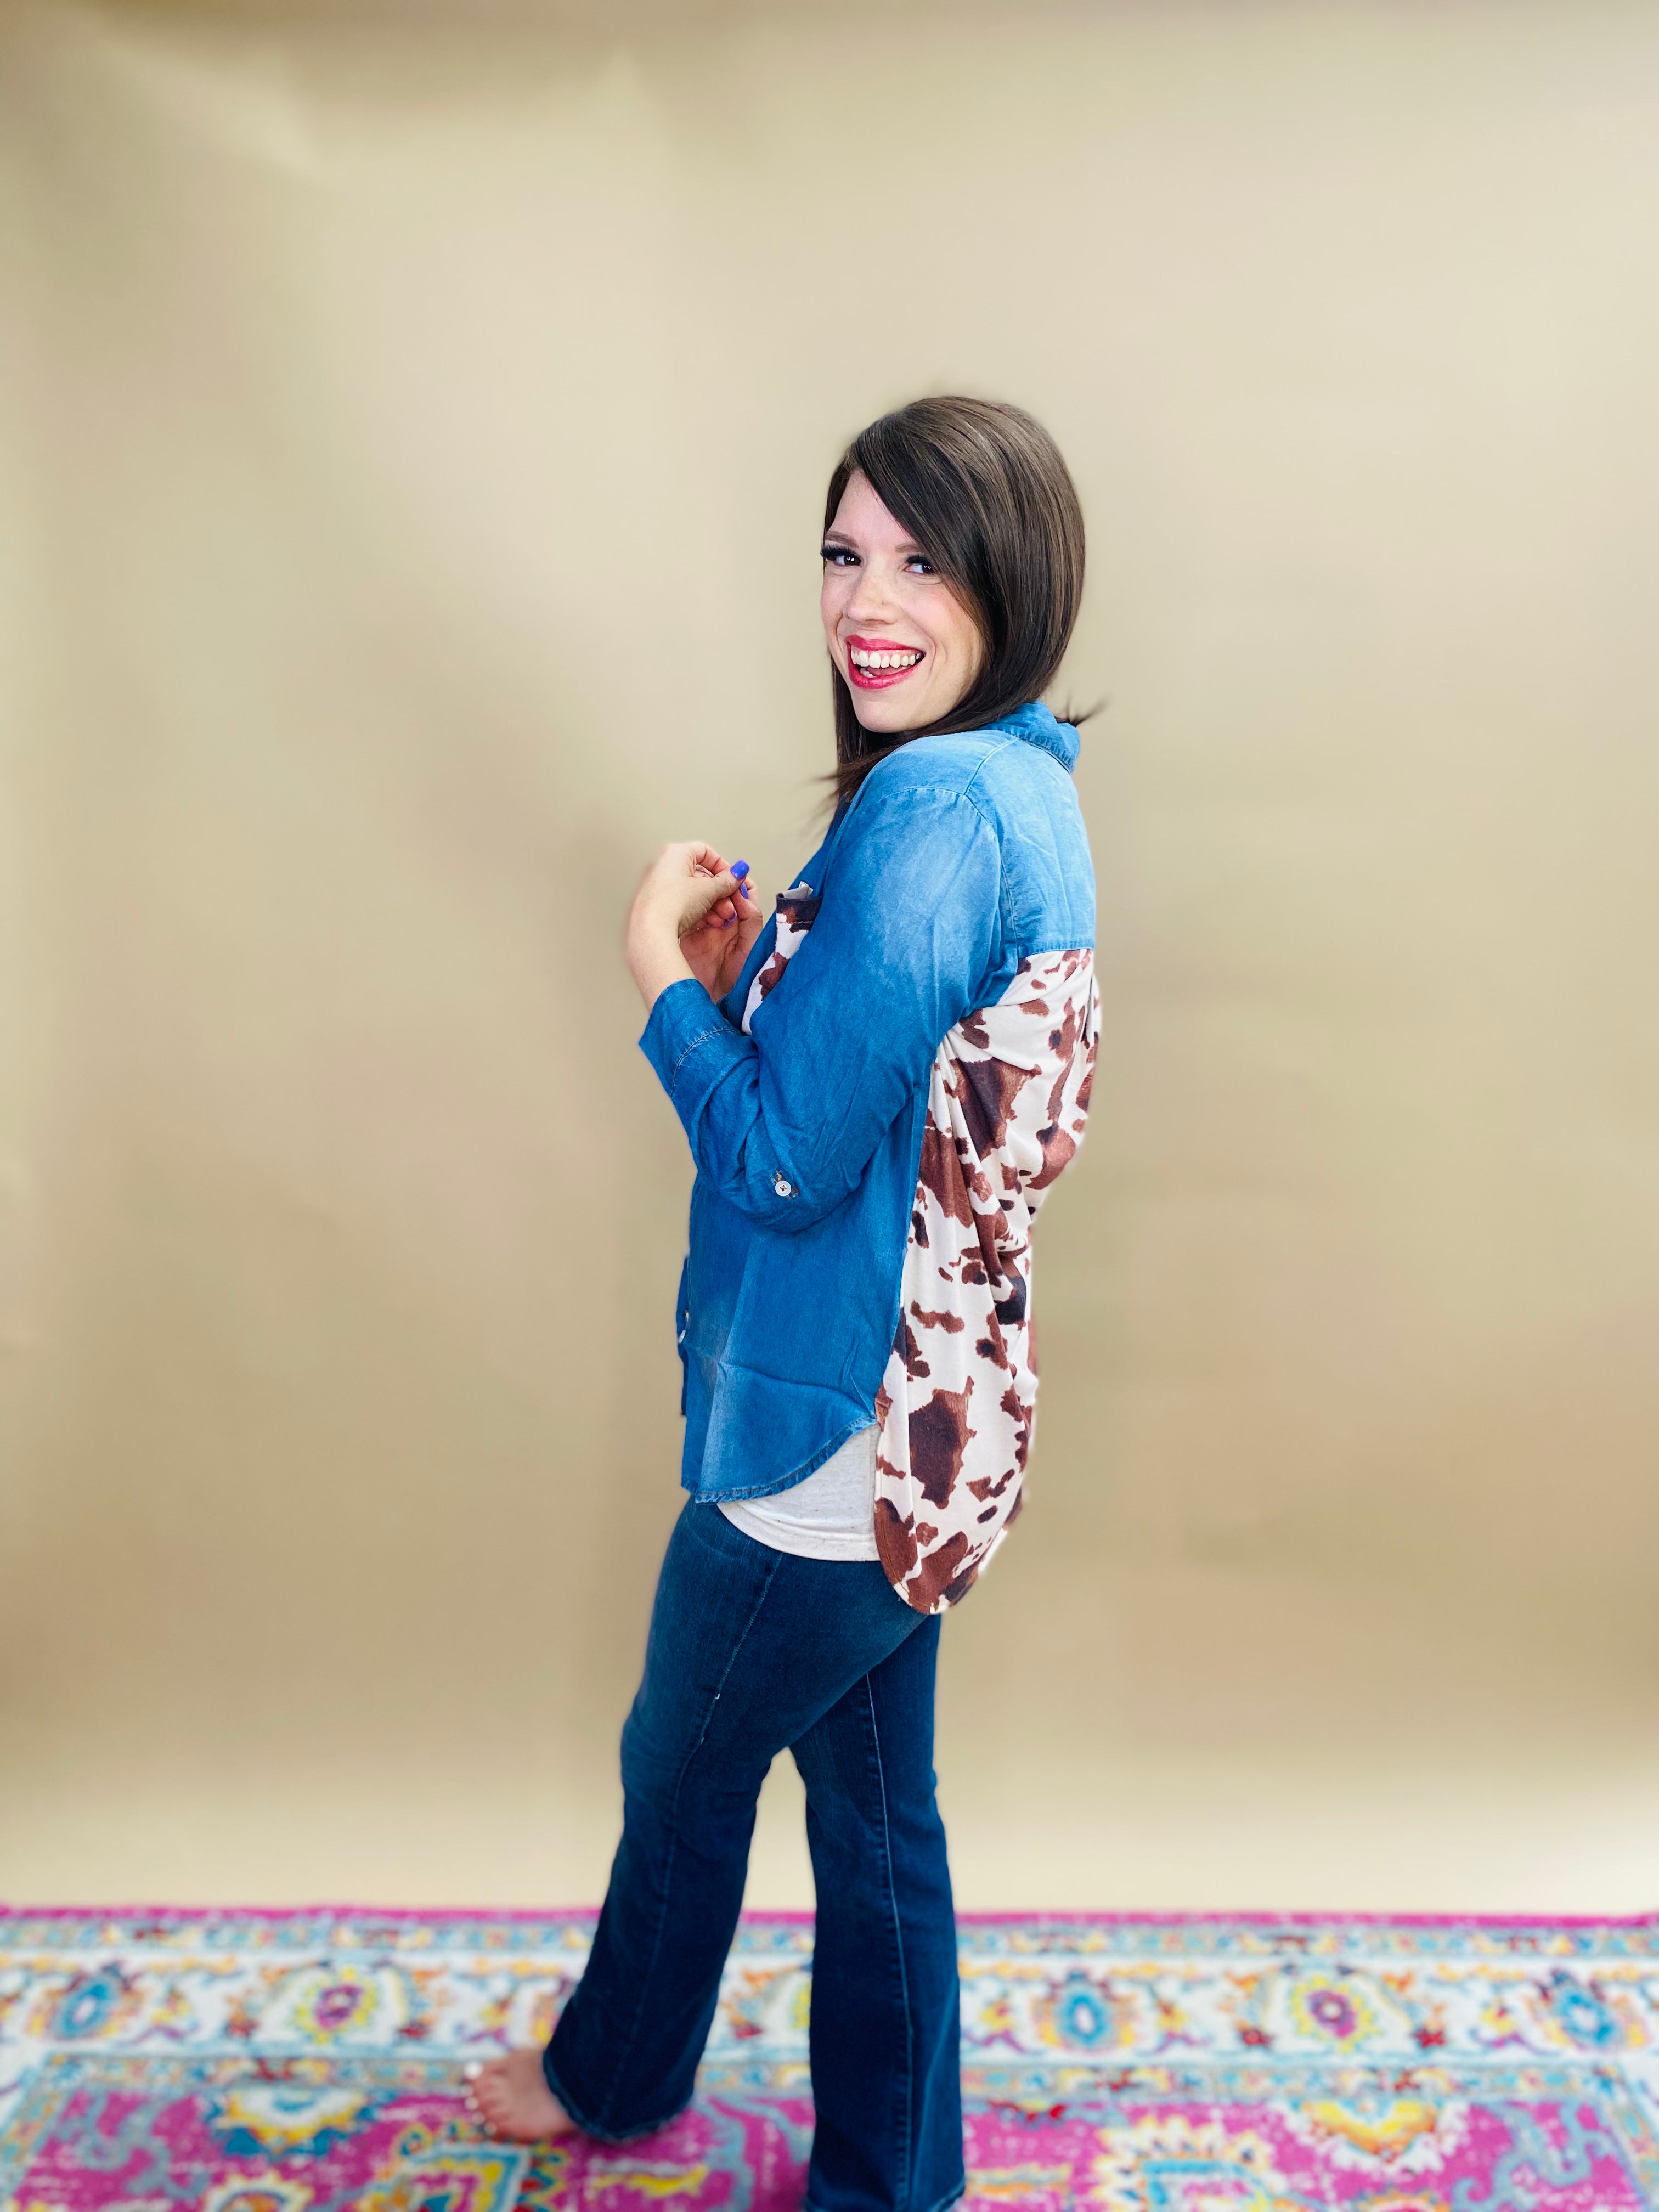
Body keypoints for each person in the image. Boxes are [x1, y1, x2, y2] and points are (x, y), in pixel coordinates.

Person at [466, 396, 1099, 2212]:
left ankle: (609, 2079)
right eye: (843, 553)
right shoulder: (1025, 789)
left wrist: (656, 978)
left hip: (831, 1432)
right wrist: (764, 987)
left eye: (921, 560)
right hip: (937, 1422)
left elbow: (784, 1167)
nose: (866, 601)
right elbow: (894, 1105)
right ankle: (892, 2182)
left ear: (1012, 579)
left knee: (681, 1769)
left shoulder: (932, 806)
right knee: (881, 1820)